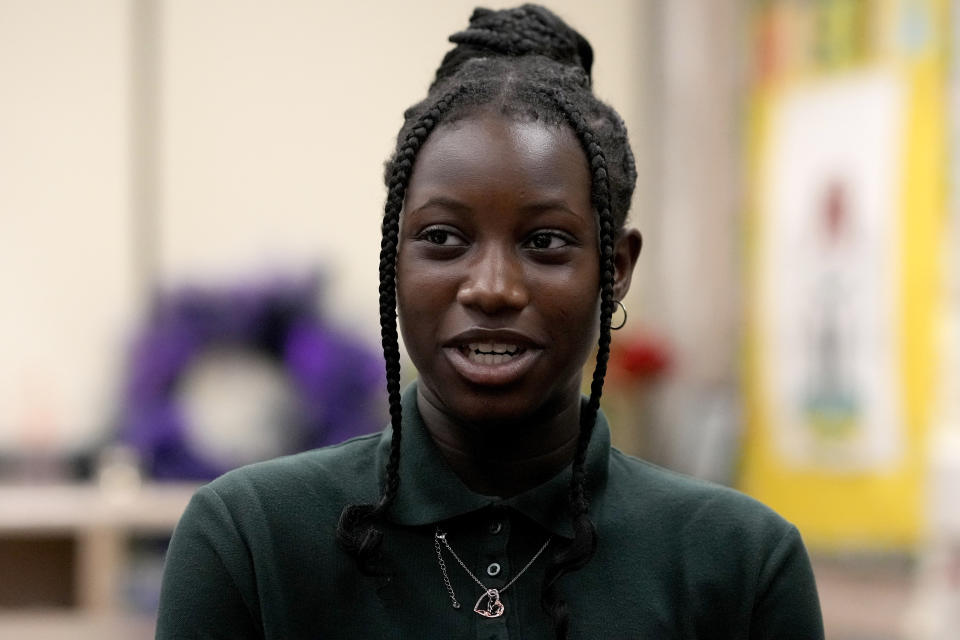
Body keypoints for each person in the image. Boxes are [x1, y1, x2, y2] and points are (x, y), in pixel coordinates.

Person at [155, 5, 824, 639]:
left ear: (615, 267)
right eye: (444, 238)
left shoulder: (742, 564)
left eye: (545, 243)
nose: (493, 288)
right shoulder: (250, 540)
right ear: (396, 259)